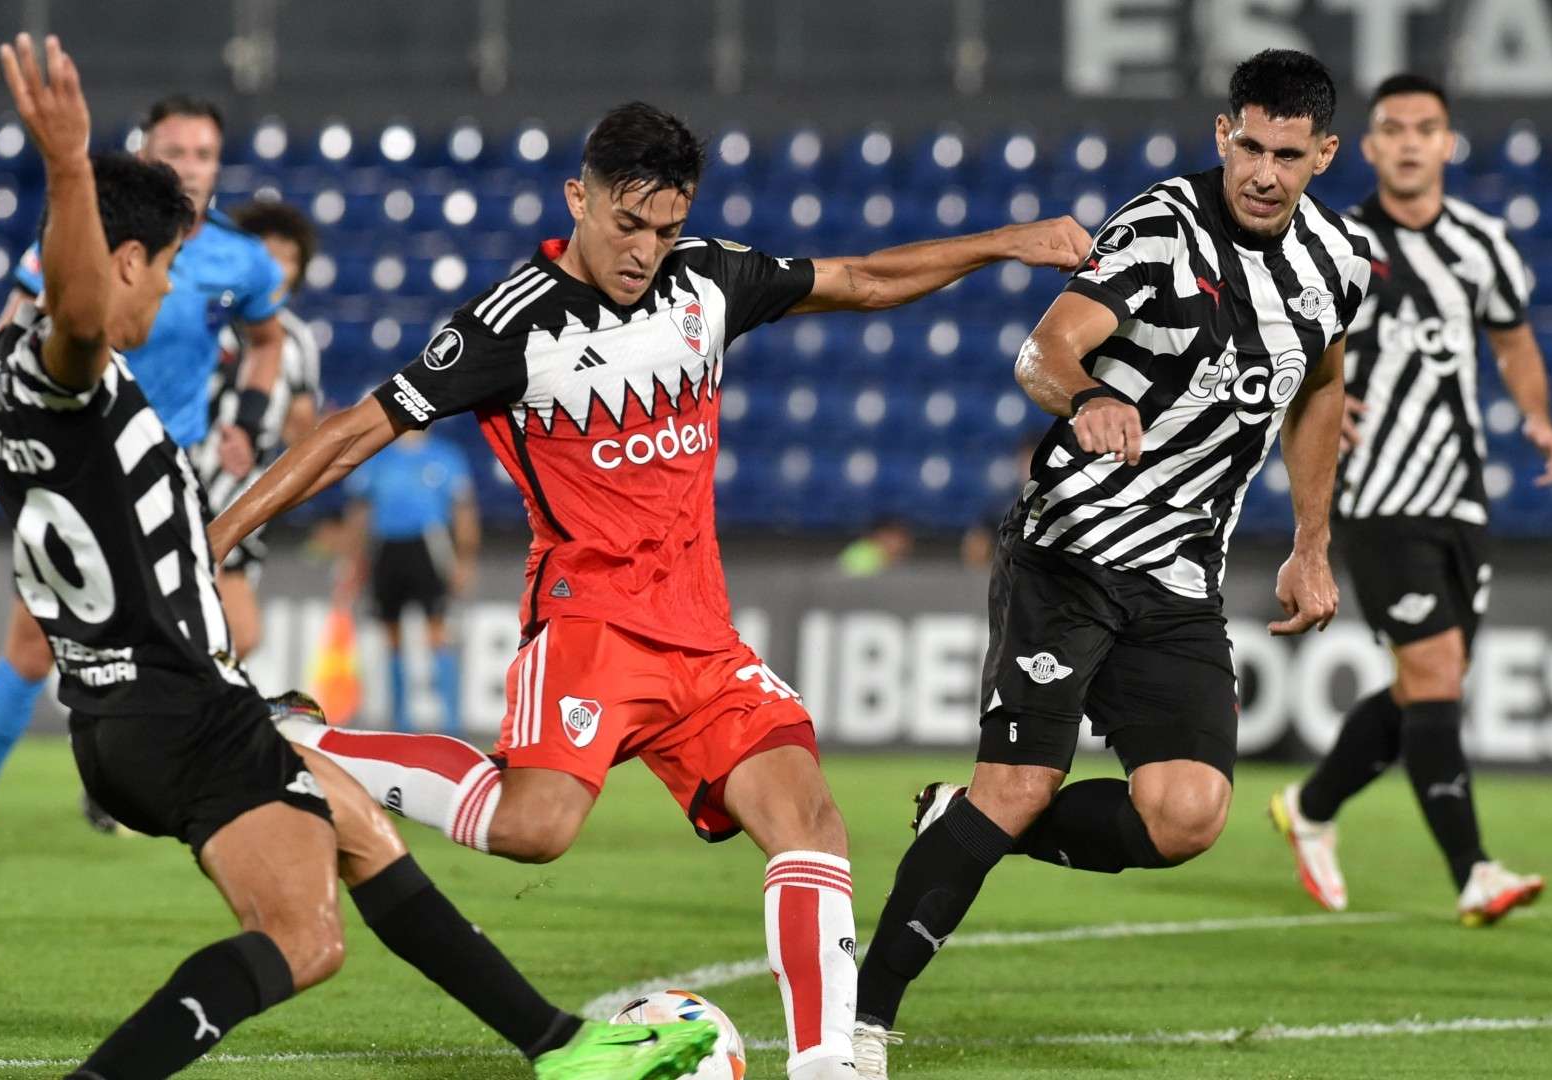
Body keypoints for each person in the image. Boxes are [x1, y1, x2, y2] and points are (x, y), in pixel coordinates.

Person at [0, 36, 717, 1080]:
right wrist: (70, 164)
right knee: (306, 940)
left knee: (362, 833)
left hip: (127, 715)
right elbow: (81, 309)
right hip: (178, 712)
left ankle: (561, 1048)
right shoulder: (68, 368)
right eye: (163, 272)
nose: (167, 299)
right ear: (123, 261)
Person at [205, 101, 1092, 1080]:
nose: (645, 249)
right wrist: (216, 539)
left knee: (807, 816)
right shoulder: (515, 324)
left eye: (664, 228)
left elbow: (865, 280)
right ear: (578, 198)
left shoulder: (707, 279)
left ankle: (827, 1064)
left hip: (702, 636)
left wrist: (1006, 243)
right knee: (533, 831)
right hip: (589, 624)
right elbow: (355, 427)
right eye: (628, 224)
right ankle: (304, 740)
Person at [848, 50, 1374, 1077]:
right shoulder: (1158, 232)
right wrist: (1088, 394)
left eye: (1288, 155)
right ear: (1224, 136)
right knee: (1020, 785)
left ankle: (961, 823)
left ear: (1323, 155)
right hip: (1073, 552)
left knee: (1188, 815)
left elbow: (1320, 392)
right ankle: (862, 1024)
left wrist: (1312, 545)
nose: (1263, 173)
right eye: (1249, 147)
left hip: (1181, 580)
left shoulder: (1337, 267)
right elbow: (1043, 350)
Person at [0, 90, 291, 860]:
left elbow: (267, 342)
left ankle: (124, 778)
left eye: (204, 154)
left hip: (179, 472)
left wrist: (249, 419)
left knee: (231, 632)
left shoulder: (242, 257)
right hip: (82, 466)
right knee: (34, 645)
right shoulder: (84, 237)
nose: (191, 168)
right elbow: (15, 325)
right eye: (176, 152)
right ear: (143, 153)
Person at [1269, 73, 1552, 927]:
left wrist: (1538, 418)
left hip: (1461, 499)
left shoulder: (1482, 243)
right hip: (1371, 494)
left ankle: (1312, 808)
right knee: (1434, 674)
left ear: (1446, 144)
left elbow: (1511, 340)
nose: (1406, 141)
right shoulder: (1330, 238)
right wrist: (1316, 389)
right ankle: (1474, 872)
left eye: (1423, 128)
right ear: (1366, 147)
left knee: (1424, 686)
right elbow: (1276, 331)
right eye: (1391, 128)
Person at [191, 200, 325, 658]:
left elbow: (301, 422)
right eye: (268, 253)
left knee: (223, 634)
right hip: (197, 478)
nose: (279, 267)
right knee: (238, 633)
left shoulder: (299, 339)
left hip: (251, 486)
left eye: (289, 257)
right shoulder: (214, 318)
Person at [342, 427, 479, 733]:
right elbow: (359, 512)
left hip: (428, 546)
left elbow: (463, 512)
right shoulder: (377, 457)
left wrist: (464, 559)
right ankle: (400, 723)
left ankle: (452, 726)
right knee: (392, 637)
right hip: (385, 548)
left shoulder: (445, 456)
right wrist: (353, 562)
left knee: (437, 634)